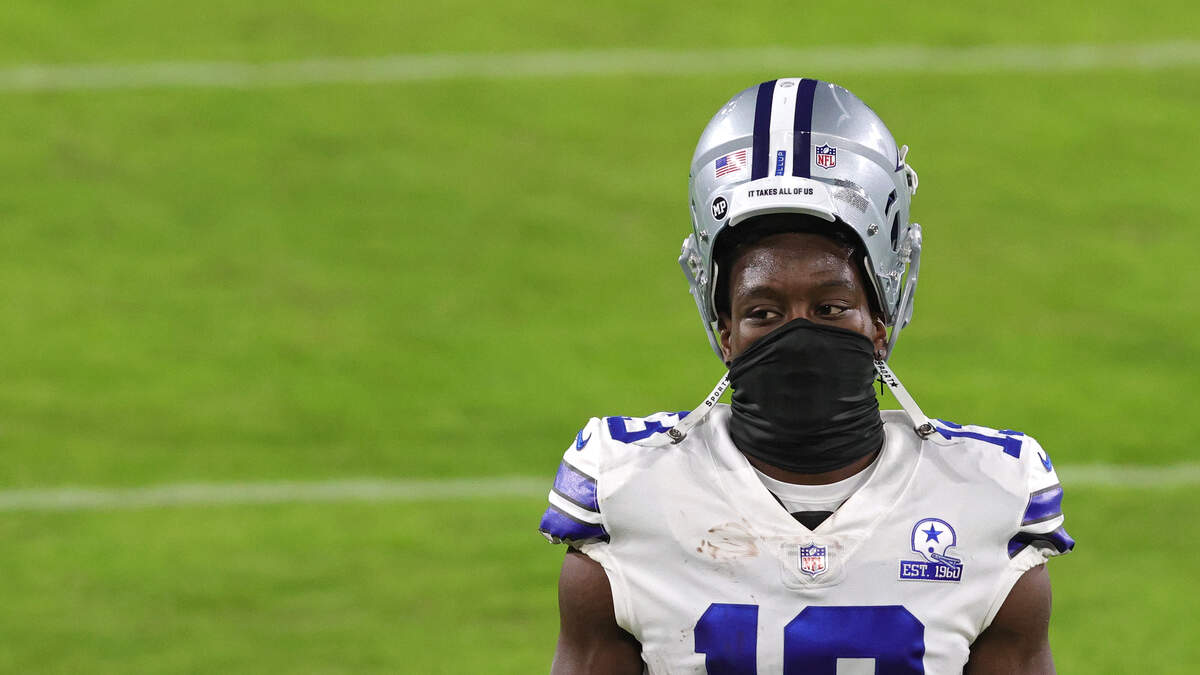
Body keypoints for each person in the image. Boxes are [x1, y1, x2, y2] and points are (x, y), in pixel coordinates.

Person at [538, 78, 1074, 674]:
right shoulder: (627, 491)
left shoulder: (987, 496)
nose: (799, 335)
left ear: (879, 320)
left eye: (830, 308)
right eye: (764, 313)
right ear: (725, 331)